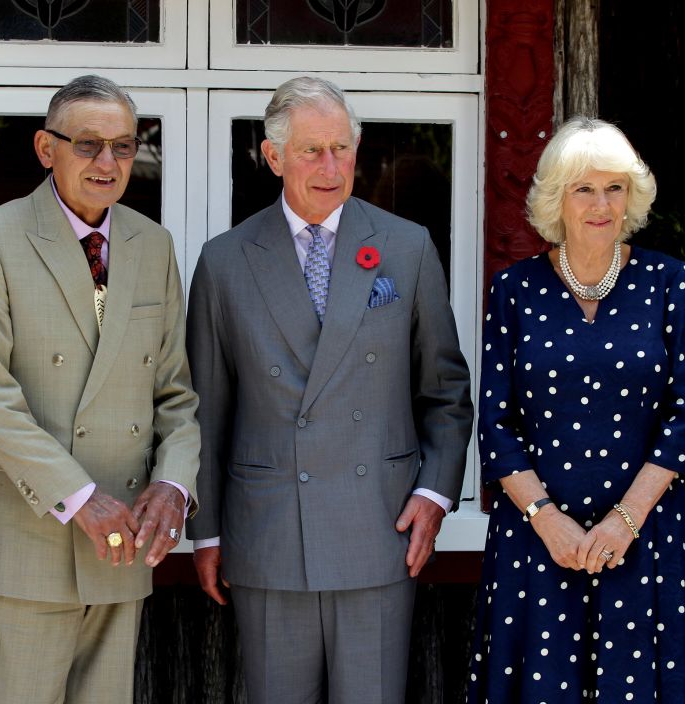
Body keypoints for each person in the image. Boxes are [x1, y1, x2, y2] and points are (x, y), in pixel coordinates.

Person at [186, 76, 473, 703]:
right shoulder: (225, 260)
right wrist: (205, 533)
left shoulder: (406, 246)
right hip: (266, 533)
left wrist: (433, 494)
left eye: (342, 148)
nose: (330, 166)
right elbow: (204, 410)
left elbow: (446, 389)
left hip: (379, 528)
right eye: (312, 150)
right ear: (273, 157)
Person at [0, 75, 200, 704]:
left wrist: (175, 484)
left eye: (124, 146)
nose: (107, 162)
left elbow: (175, 395)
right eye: (87, 144)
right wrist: (79, 497)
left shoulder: (152, 244)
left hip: (121, 552)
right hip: (17, 549)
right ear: (43, 148)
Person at [468, 117, 685, 702]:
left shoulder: (668, 281)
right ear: (557, 198)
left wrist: (623, 522)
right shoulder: (514, 290)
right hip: (536, 540)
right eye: (583, 188)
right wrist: (548, 520)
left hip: (643, 536)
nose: (601, 204)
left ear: (632, 196)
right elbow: (495, 424)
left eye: (614, 187)